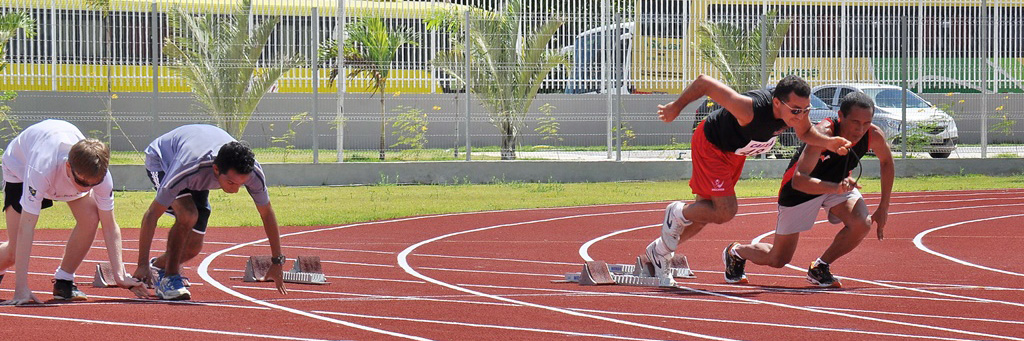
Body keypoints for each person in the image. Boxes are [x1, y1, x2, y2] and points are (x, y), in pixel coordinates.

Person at [645, 75, 854, 284]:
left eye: (806, 109)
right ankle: (677, 212)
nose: (801, 116)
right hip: (711, 146)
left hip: (735, 154)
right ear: (777, 103)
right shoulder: (749, 109)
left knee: (706, 212)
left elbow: (806, 132)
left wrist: (830, 142)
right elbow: (703, 82)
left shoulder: (796, 112)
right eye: (796, 110)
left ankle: (660, 250)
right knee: (725, 210)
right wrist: (676, 107)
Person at [723, 92, 894, 287]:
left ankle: (820, 267)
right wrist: (836, 187)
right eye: (855, 122)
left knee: (862, 223)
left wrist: (884, 206)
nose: (860, 129)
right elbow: (799, 180)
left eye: (866, 122)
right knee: (778, 259)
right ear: (840, 116)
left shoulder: (873, 134)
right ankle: (736, 252)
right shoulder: (823, 134)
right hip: (800, 191)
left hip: (837, 185)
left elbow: (887, 161)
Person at [0, 119, 146, 305]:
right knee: (14, 251)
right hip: (19, 169)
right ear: (69, 167)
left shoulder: (100, 177)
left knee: (91, 217)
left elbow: (109, 225)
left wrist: (119, 275)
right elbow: (26, 226)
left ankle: (64, 280)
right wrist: (21, 288)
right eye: (84, 183)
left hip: (60, 172)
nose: (87, 189)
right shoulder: (41, 169)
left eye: (94, 184)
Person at [132, 124, 286, 300]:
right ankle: (170, 277)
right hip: (164, 161)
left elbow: (267, 213)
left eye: (241, 184)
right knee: (188, 214)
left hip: (199, 165)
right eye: (231, 183)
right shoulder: (188, 168)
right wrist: (141, 264)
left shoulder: (253, 173)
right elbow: (151, 214)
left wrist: (277, 261)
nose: (235, 190)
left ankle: (159, 267)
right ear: (216, 170)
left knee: (193, 248)